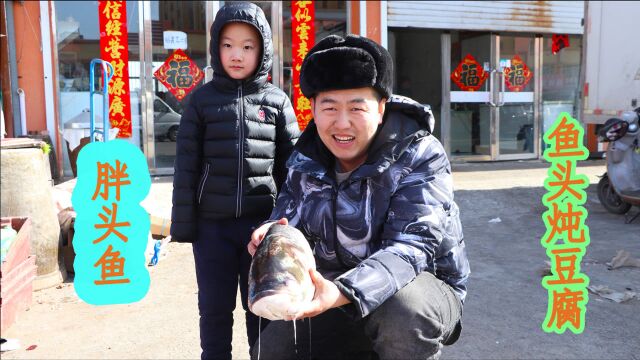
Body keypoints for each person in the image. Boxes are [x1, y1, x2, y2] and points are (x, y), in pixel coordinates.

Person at [248, 34, 470, 360]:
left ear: (381, 108)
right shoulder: (303, 161)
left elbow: (411, 248)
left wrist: (340, 291)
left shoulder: (420, 154)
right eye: (329, 107)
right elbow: (288, 218)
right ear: (312, 109)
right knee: (271, 349)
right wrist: (273, 233)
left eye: (356, 107)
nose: (342, 123)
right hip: (335, 289)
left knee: (402, 312)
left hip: (421, 289)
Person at [170, 2, 300, 359]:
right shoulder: (200, 101)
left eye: (247, 46)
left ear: (262, 50)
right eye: (228, 45)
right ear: (216, 48)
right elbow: (186, 167)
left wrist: (288, 222)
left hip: (261, 228)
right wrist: (185, 225)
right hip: (212, 227)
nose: (237, 55)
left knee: (261, 306)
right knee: (213, 308)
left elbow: (294, 170)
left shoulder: (276, 101)